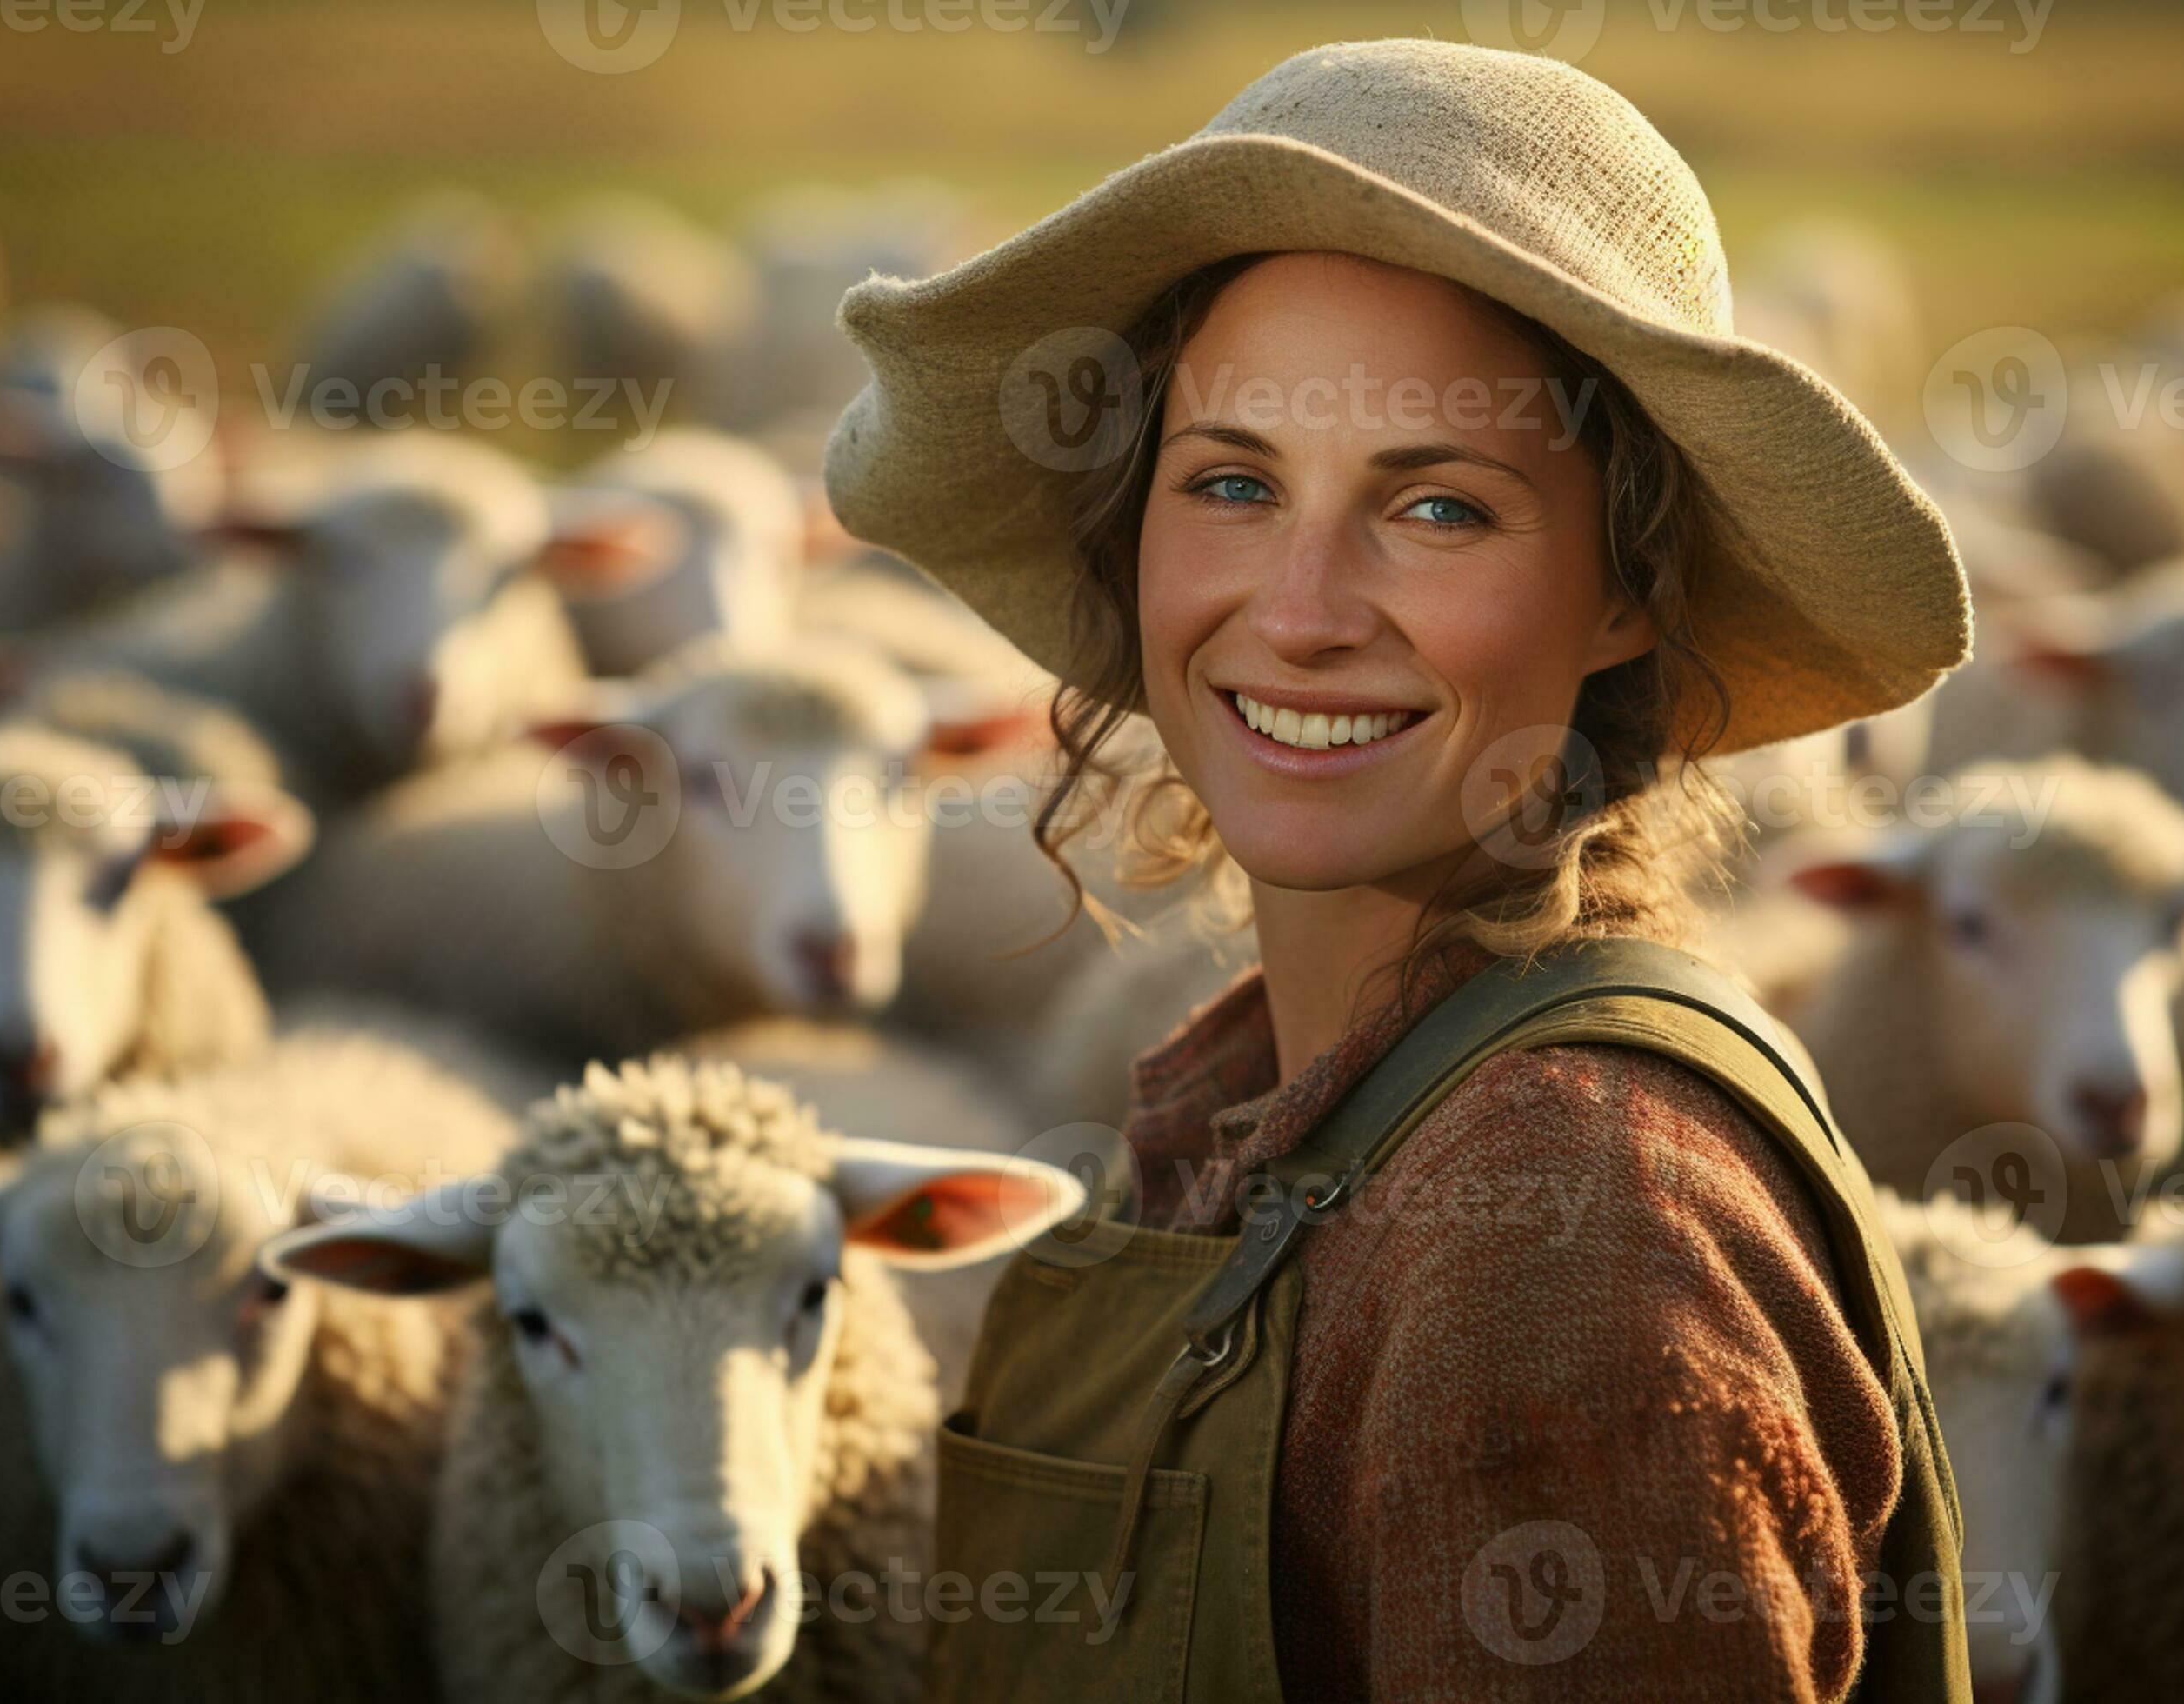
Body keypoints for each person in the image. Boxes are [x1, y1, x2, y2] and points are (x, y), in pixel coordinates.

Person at [825, 37, 1976, 1703]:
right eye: (1229, 481)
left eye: (1437, 509)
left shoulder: (1563, 1233)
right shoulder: (1304, 1104)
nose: (1297, 611)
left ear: (1623, 591)